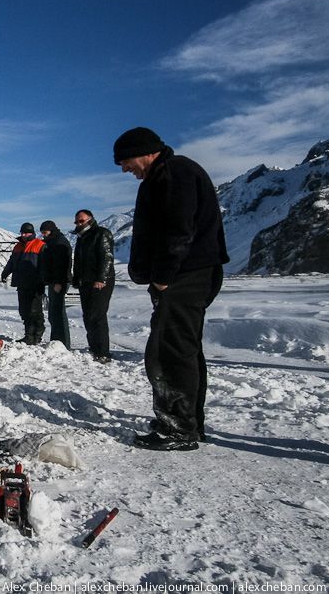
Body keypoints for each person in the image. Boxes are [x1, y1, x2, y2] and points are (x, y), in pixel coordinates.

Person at [114, 127, 229, 452]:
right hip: (186, 273)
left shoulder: (176, 173)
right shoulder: (167, 174)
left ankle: (178, 429)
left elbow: (179, 230)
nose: (125, 169)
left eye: (126, 161)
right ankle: (186, 422)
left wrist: (163, 277)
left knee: (169, 351)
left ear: (145, 151)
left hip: (185, 275)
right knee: (182, 347)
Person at [71, 209, 115, 362]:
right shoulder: (82, 238)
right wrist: (76, 279)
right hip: (86, 282)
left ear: (90, 219)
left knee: (98, 315)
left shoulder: (101, 233)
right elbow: (78, 261)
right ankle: (94, 347)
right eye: (76, 221)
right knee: (88, 315)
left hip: (100, 282)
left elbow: (107, 257)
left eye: (81, 221)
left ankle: (103, 352)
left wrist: (101, 278)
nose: (78, 223)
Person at [0, 223, 45, 344]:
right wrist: (5, 273)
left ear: (32, 233)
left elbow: (44, 265)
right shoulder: (18, 246)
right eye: (22, 233)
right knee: (24, 311)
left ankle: (38, 334)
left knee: (34, 311)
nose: (24, 235)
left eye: (27, 233)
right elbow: (11, 262)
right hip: (21, 283)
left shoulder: (40, 245)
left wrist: (42, 281)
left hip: (34, 284)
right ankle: (29, 335)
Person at [38, 220, 72, 349]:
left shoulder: (59, 243)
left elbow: (61, 265)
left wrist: (59, 282)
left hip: (58, 282)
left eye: (45, 232)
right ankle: (57, 341)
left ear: (51, 230)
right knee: (53, 313)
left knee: (58, 312)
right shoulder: (53, 242)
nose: (43, 235)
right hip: (53, 281)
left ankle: (63, 343)